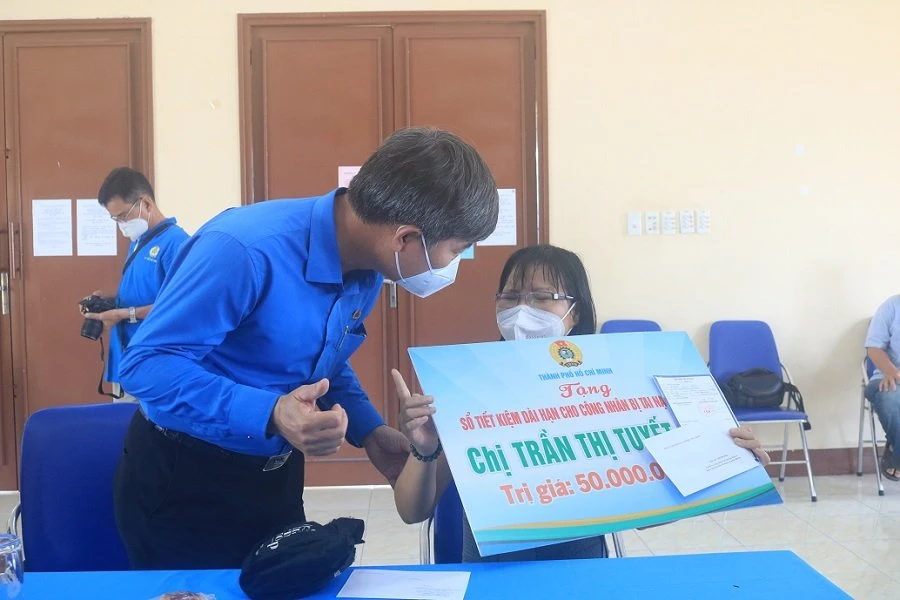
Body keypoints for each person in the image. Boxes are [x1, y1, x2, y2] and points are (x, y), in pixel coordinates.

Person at [113, 127, 500, 570]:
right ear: (405, 239)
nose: (453, 265)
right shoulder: (244, 251)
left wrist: (370, 432)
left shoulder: (367, 264)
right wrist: (272, 411)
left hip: (273, 478)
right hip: (184, 481)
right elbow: (144, 364)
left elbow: (322, 361)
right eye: (457, 250)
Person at [392, 244, 770, 562]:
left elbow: (649, 515)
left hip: (581, 574)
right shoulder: (469, 391)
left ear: (575, 313)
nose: (521, 309)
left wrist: (728, 461)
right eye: (510, 296)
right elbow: (412, 511)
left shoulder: (611, 395)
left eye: (542, 296)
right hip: (492, 580)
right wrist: (424, 448)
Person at [80, 167, 189, 402]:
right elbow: (144, 292)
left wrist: (124, 314)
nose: (121, 225)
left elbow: (180, 308)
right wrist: (107, 302)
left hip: (153, 363)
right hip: (126, 358)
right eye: (115, 219)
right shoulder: (139, 241)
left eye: (123, 216)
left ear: (145, 203)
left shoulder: (176, 244)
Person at [865, 295, 900, 481]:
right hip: (889, 378)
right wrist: (891, 371)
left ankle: (896, 450)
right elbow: (874, 347)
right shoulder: (892, 306)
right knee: (890, 397)